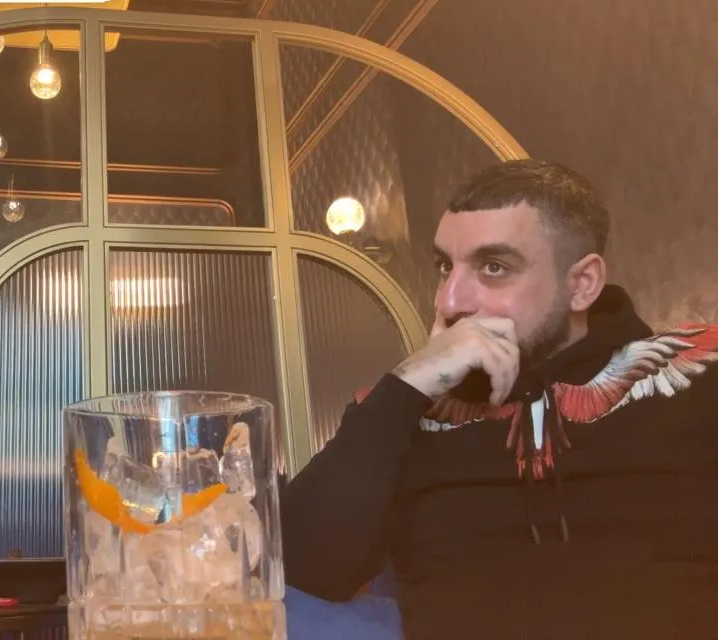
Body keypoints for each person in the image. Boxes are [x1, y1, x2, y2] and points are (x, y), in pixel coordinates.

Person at [280, 161, 718, 639]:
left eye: (494, 268)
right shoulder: (403, 414)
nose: (449, 302)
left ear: (582, 284)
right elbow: (301, 571)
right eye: (445, 267)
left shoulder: (697, 376)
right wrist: (406, 385)